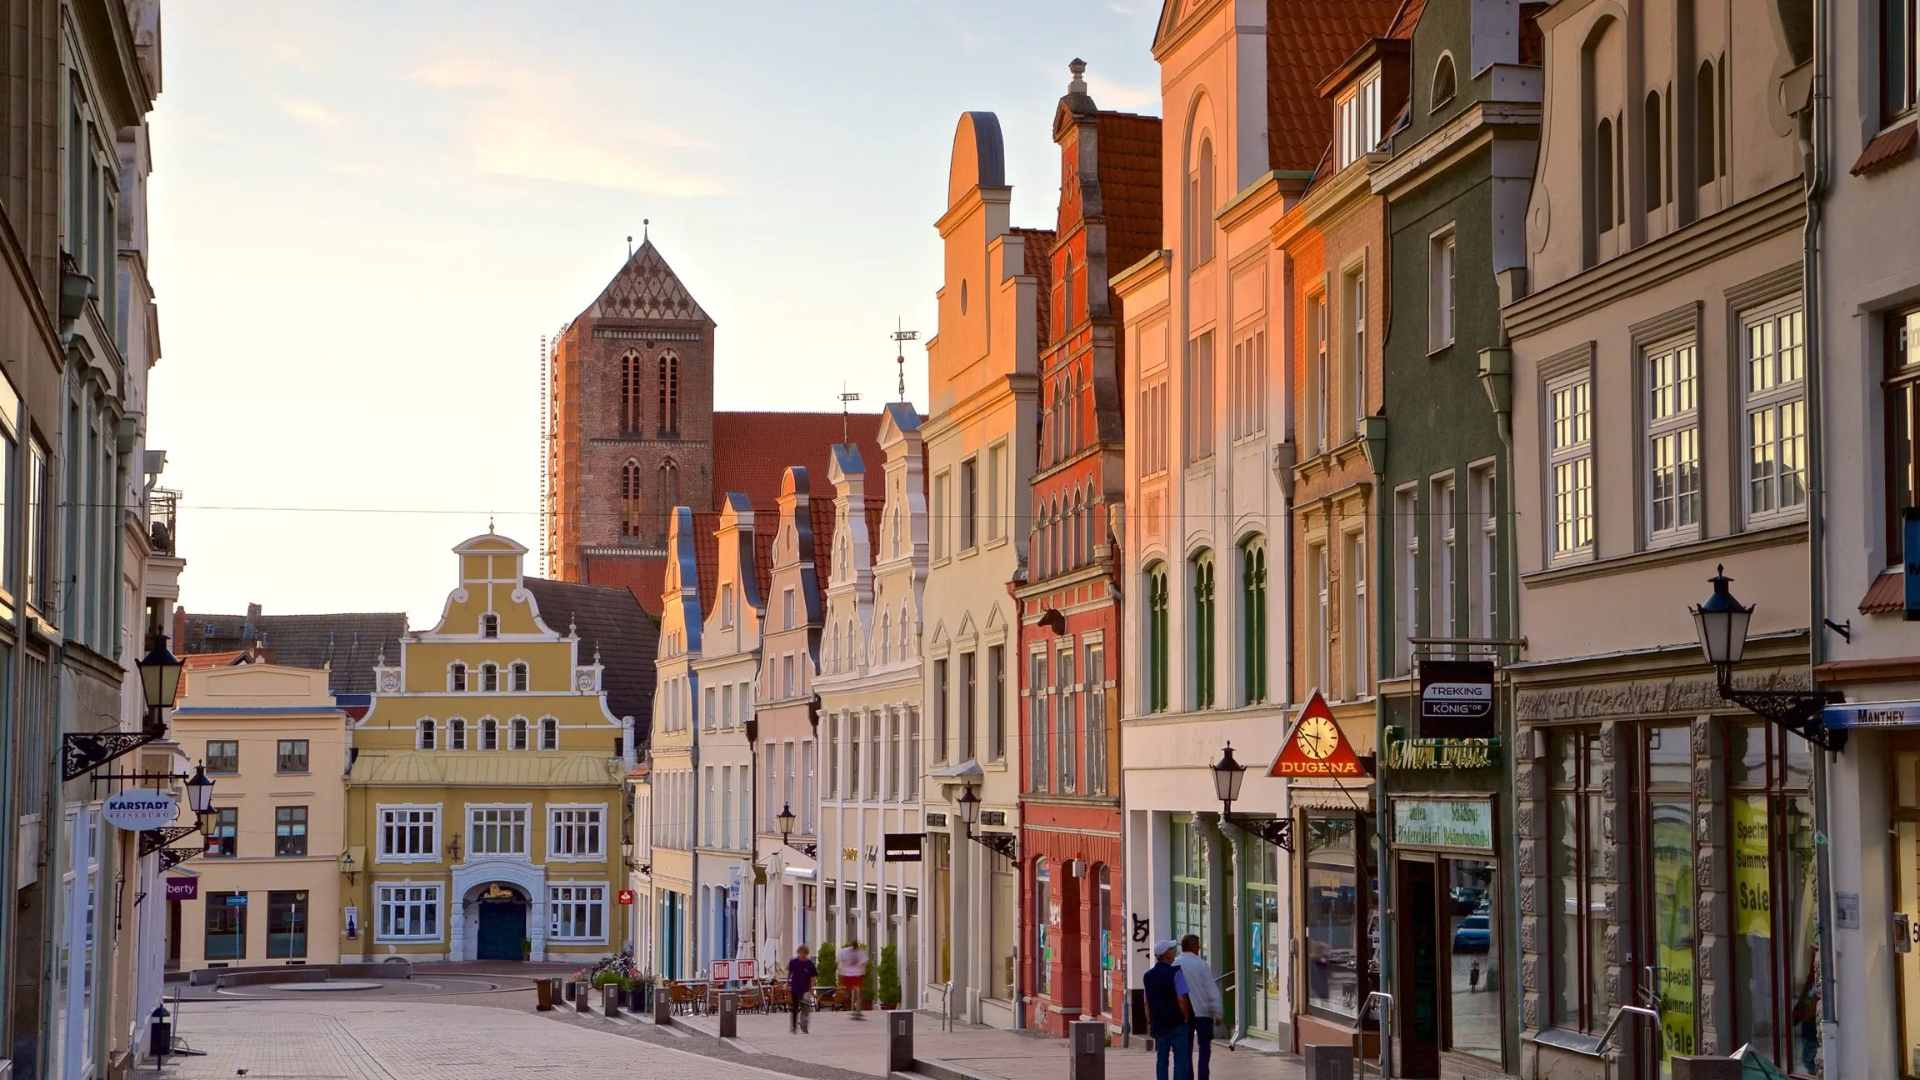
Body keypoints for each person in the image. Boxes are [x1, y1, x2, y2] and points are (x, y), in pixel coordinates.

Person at [1142, 940, 1193, 1080]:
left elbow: (1146, 1002)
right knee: (1181, 1059)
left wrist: (1150, 1022)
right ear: (1167, 954)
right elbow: (1181, 999)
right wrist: (1186, 1016)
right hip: (1177, 1022)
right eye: (1171, 949)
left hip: (1159, 1023)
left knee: (1162, 1059)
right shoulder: (1176, 973)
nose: (1173, 952)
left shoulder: (1148, 976)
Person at [1174, 935, 1221, 1080]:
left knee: (1186, 1048)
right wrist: (1217, 1011)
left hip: (1184, 1014)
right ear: (1193, 946)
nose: (1199, 947)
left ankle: (1188, 1076)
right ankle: (1203, 1076)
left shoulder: (1175, 965)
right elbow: (1211, 989)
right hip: (1203, 1013)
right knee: (1205, 1047)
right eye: (1198, 945)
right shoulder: (1201, 965)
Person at [787, 945, 818, 1033]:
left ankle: (804, 1026)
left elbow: (813, 977)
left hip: (805, 989)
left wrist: (811, 988)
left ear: (807, 954)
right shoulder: (793, 962)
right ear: (798, 953)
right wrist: (787, 984)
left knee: (805, 1008)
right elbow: (789, 973)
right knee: (795, 1008)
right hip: (795, 988)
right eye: (801, 953)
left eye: (805, 953)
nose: (803, 955)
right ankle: (793, 1026)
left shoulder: (810, 964)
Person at [837, 939, 870, 1020]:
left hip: (852, 974)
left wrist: (840, 967)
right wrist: (862, 969)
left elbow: (839, 958)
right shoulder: (855, 951)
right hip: (853, 974)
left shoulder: (855, 951)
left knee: (856, 990)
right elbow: (866, 962)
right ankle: (855, 1005)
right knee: (856, 990)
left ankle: (856, 1007)